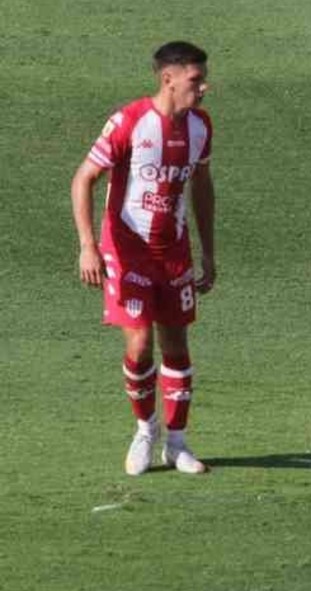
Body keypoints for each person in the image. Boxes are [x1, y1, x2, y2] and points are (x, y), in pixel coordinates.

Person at [70, 41, 216, 476]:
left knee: (177, 344)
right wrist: (87, 245)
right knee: (138, 345)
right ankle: (144, 431)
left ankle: (177, 443)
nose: (204, 87)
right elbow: (84, 179)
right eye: (195, 79)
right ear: (168, 79)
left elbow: (203, 189)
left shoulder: (200, 126)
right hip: (127, 251)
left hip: (173, 253)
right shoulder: (129, 121)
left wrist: (209, 252)